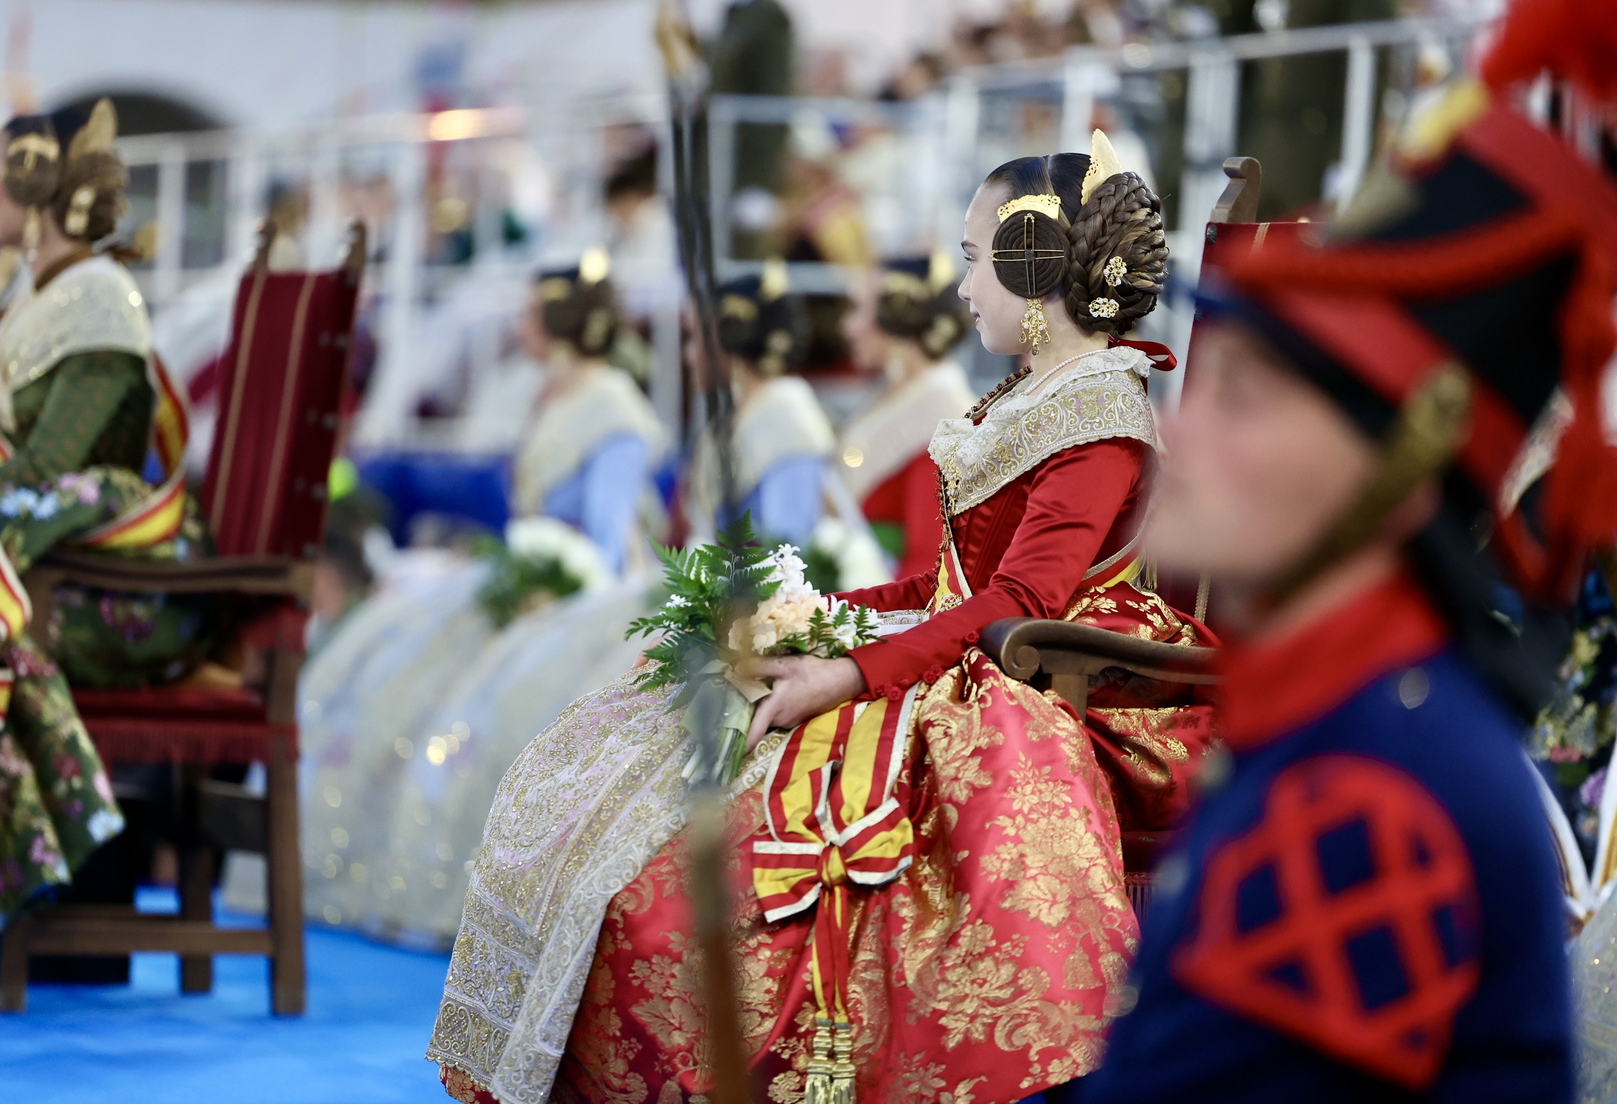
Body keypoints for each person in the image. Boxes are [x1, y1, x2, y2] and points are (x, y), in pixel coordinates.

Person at [429, 132, 1214, 1104]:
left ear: (1032, 264)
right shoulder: (1031, 394)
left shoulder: (1098, 414)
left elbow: (1023, 604)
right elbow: (943, 587)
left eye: (975, 259)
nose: (964, 285)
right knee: (646, 737)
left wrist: (847, 668)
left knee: (720, 835)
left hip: (1047, 677)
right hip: (975, 647)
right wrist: (812, 613)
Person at [1076, 3, 1617, 1097]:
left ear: (1397, 469)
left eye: (1247, 399)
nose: (1182, 431)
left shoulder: (1368, 800)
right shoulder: (1351, 718)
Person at [294, 255, 662, 942]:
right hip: (537, 579)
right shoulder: (558, 395)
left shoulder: (612, 407)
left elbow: (610, 544)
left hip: (588, 597)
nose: (520, 325)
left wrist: (552, 598)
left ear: (555, 321)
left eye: (529, 312)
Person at [0, 100, 212, 939]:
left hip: (120, 588)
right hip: (50, 565)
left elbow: (53, 476)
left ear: (36, 183)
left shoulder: (97, 300)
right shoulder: (37, 298)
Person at [839, 253, 975, 579]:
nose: (848, 326)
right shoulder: (895, 392)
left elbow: (928, 561)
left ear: (895, 317)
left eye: (860, 309)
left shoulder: (941, 412)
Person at [685, 266, 834, 548]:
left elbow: (791, 549)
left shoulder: (784, 417)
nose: (689, 354)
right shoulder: (739, 415)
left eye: (695, 337)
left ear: (730, 337)